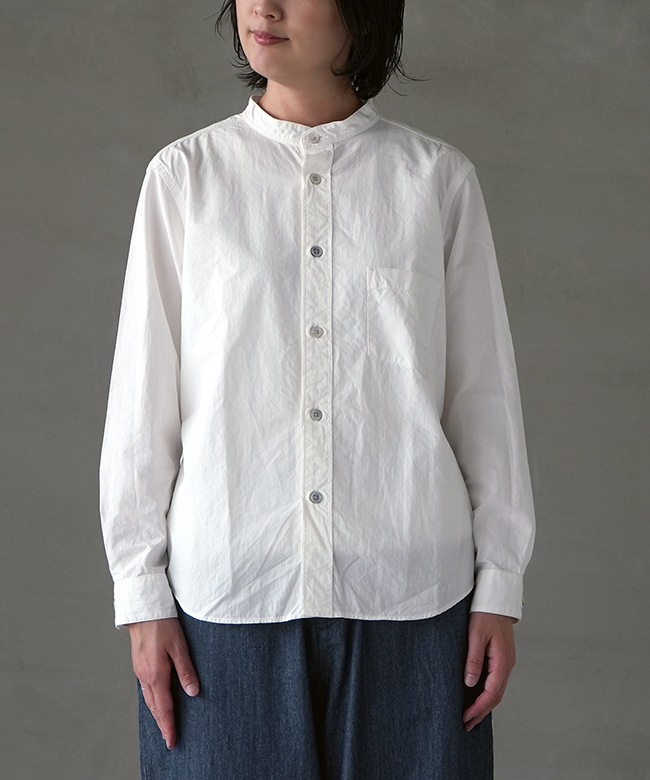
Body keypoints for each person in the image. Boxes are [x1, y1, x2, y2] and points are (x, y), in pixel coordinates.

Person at [99, 0, 536, 777]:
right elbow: (141, 404)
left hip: (416, 599)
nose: (263, 7)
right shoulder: (185, 179)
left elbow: (484, 398)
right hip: (226, 600)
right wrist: (141, 593)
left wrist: (500, 582)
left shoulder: (435, 181)